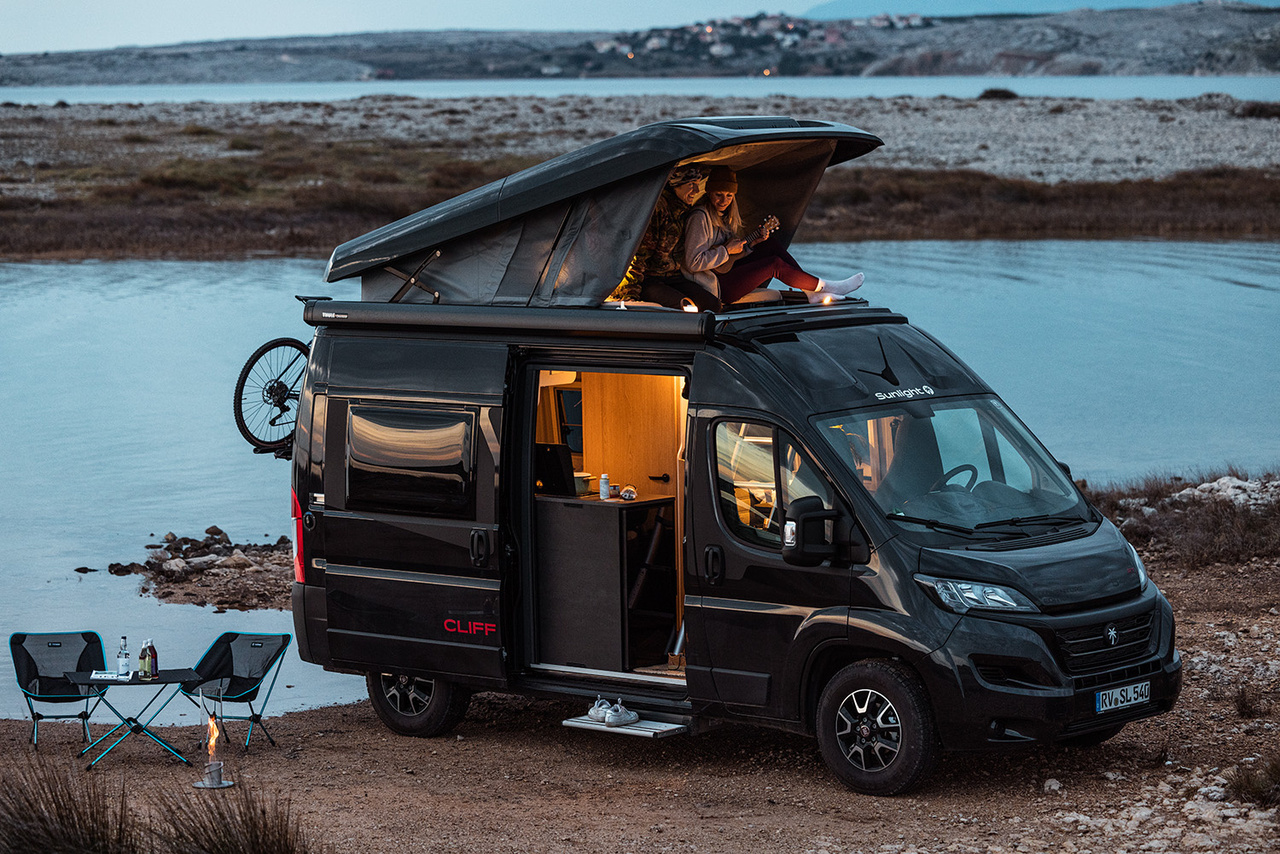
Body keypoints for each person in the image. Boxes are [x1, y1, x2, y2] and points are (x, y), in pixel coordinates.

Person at [682, 166, 865, 308]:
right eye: (718, 195)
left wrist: (750, 245)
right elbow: (693, 262)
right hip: (716, 287)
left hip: (725, 272)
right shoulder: (699, 217)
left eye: (729, 195)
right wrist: (726, 250)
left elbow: (728, 260)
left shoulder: (725, 216)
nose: (724, 200)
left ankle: (810, 292)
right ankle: (824, 286)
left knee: (768, 244)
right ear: (708, 193)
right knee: (774, 265)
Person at [606, 165, 718, 309]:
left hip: (673, 277)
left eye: (697, 185)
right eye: (691, 185)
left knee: (712, 304)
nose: (696, 191)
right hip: (648, 279)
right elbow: (637, 255)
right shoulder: (657, 209)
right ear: (675, 185)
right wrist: (630, 295)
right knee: (685, 307)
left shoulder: (684, 210)